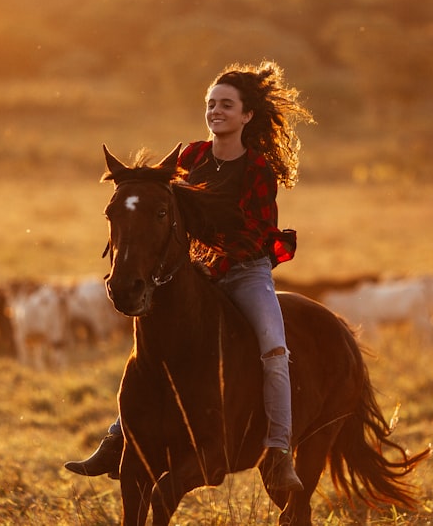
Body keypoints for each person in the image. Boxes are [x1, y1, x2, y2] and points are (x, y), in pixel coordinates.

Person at [65, 60, 314, 493]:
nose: (216, 111)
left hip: (245, 271)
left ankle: (277, 454)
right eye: (211, 104)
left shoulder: (258, 169)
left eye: (226, 105)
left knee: (274, 350)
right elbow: (167, 212)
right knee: (154, 348)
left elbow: (257, 231)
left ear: (247, 115)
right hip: (193, 268)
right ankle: (118, 437)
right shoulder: (192, 157)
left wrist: (216, 262)